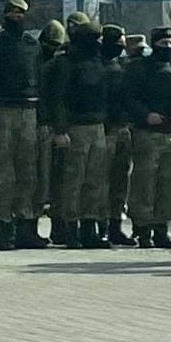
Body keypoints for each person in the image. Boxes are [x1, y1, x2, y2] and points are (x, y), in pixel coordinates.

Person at [0, 0, 46, 251]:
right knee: (3, 173)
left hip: (29, 111)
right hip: (2, 112)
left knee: (28, 173)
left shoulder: (31, 44)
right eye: (12, 13)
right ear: (5, 16)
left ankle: (26, 226)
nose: (17, 16)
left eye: (21, 13)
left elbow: (40, 80)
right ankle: (2, 227)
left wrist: (42, 119)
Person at [124, 26, 171, 249]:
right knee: (144, 183)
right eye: (163, 43)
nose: (168, 47)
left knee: (168, 183)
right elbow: (128, 97)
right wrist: (145, 114)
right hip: (147, 133)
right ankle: (142, 229)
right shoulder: (139, 67)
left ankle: (162, 229)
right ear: (154, 45)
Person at [47, 21, 111, 249]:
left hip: (97, 126)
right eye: (94, 38)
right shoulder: (66, 63)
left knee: (95, 181)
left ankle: (89, 227)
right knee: (73, 181)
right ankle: (70, 227)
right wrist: (61, 130)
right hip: (75, 127)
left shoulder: (99, 62)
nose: (98, 43)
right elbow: (59, 99)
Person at [104, 29, 138, 246]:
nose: (120, 45)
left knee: (120, 181)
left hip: (123, 128)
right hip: (104, 128)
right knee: (100, 181)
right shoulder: (98, 66)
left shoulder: (124, 68)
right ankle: (99, 226)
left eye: (122, 42)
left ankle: (116, 225)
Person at [37, 21, 68, 244]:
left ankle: (58, 226)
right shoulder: (39, 61)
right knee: (39, 178)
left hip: (55, 126)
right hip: (41, 125)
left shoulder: (60, 64)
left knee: (57, 180)